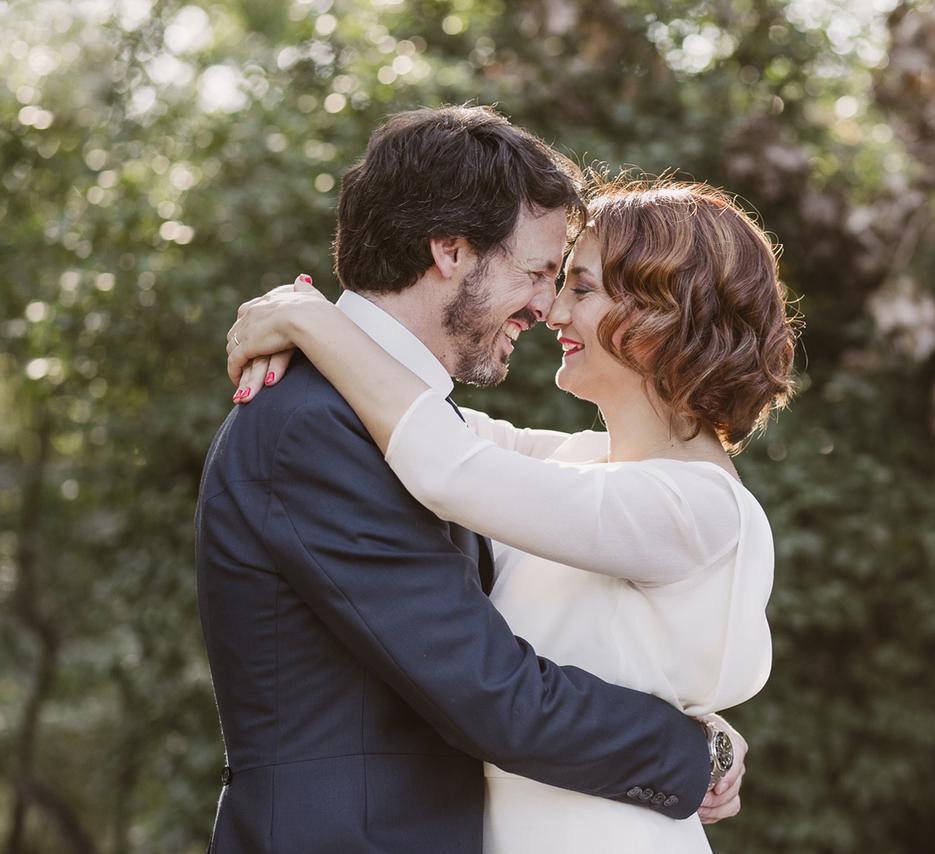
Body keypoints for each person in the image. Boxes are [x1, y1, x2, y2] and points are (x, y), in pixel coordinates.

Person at [196, 106, 749, 854]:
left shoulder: (414, 428)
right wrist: (689, 752)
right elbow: (489, 692)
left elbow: (463, 468)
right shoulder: (315, 426)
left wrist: (313, 323)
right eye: (537, 273)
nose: (546, 305)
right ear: (451, 251)